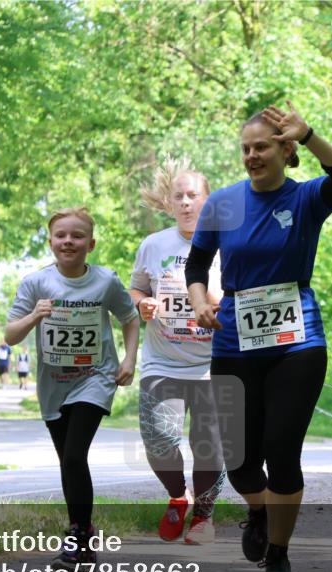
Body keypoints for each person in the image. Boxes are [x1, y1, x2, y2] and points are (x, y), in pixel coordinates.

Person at [185, 102, 332, 572]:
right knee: (239, 458)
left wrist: (311, 135)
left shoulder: (306, 200)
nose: (252, 156)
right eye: (245, 149)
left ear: (285, 150)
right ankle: (258, 511)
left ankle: (278, 555)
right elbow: (196, 266)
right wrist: (200, 300)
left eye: (261, 147)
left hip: (296, 342)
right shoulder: (222, 203)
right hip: (234, 343)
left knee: (282, 450)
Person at [5, 207, 139, 568]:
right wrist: (34, 316)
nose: (68, 241)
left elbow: (130, 317)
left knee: (76, 456)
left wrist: (128, 361)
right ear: (50, 242)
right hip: (54, 385)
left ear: (90, 244)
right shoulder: (36, 284)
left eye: (77, 236)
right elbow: (10, 335)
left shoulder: (106, 281)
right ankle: (83, 531)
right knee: (68, 462)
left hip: (95, 378)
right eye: (61, 235)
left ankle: (78, 539)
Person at [129, 157, 226, 545]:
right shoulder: (153, 245)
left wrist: (211, 300)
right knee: (159, 439)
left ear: (207, 201)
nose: (185, 203)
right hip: (163, 359)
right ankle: (177, 495)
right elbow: (136, 288)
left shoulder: (227, 244)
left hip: (213, 363)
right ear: (170, 204)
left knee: (210, 444)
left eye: (193, 195)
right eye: (178, 197)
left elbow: (242, 298)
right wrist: (142, 304)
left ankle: (203, 517)